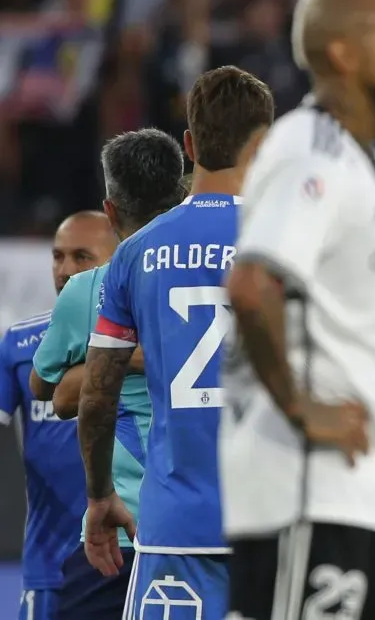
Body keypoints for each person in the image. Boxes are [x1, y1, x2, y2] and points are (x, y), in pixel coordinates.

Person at [219, 0, 375, 620]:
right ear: (342, 52)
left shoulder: (362, 160)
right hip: (306, 492)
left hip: (353, 498)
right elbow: (252, 285)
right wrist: (304, 408)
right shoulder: (312, 146)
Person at [75, 66, 273, 620]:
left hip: (175, 525)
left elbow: (96, 398)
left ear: (188, 145)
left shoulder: (137, 253)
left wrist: (99, 496)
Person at [31, 131, 186, 620]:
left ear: (111, 211)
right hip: (204, 524)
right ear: (180, 196)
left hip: (120, 532)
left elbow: (47, 389)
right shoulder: (217, 276)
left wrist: (108, 364)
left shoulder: (88, 291)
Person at [0, 212, 117, 620]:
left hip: (126, 559)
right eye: (57, 257)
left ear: (118, 260)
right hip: (49, 571)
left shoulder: (148, 342)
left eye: (82, 257)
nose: (65, 271)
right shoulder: (18, 344)